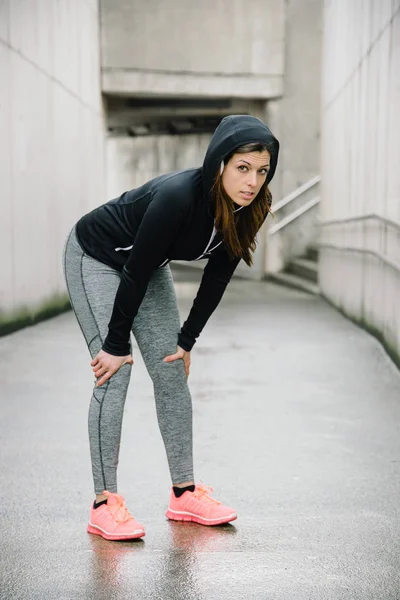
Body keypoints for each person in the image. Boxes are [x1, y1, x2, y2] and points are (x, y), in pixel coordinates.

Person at [62, 114, 279, 541]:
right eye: (242, 168)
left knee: (170, 368)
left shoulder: (252, 206)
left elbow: (217, 276)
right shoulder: (179, 197)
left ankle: (183, 493)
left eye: (262, 171)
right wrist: (115, 343)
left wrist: (186, 340)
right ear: (219, 163)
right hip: (97, 257)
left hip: (145, 266)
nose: (252, 181)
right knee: (115, 372)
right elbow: (135, 270)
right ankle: (104, 502)